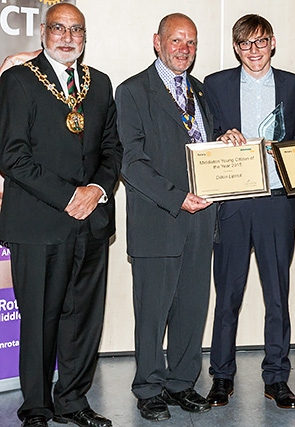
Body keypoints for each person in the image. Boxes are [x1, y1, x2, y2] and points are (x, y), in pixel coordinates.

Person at [0, 4, 121, 427]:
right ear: (43, 34)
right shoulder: (17, 81)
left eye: (76, 30)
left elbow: (112, 151)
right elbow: (12, 157)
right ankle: (36, 407)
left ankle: (72, 401)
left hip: (91, 223)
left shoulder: (100, 84)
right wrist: (70, 195)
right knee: (38, 320)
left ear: (85, 37)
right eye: (58, 28)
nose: (67, 37)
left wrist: (97, 189)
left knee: (83, 320)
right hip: (37, 223)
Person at [202, 14, 295, 410]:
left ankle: (277, 377)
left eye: (261, 42)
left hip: (277, 202)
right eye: (245, 44)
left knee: (277, 295)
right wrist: (219, 138)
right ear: (235, 47)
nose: (254, 51)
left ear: (273, 42)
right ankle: (222, 377)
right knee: (227, 294)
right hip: (232, 200)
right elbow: (203, 134)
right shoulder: (215, 85)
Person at [115, 13, 216, 422]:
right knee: (153, 311)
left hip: (201, 219)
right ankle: (149, 387)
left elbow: (206, 148)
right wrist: (178, 199)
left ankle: (181, 383)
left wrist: (226, 140)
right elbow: (131, 162)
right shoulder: (133, 91)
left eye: (191, 42)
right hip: (160, 217)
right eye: (176, 40)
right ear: (157, 42)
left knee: (192, 308)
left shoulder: (201, 91)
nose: (184, 49)